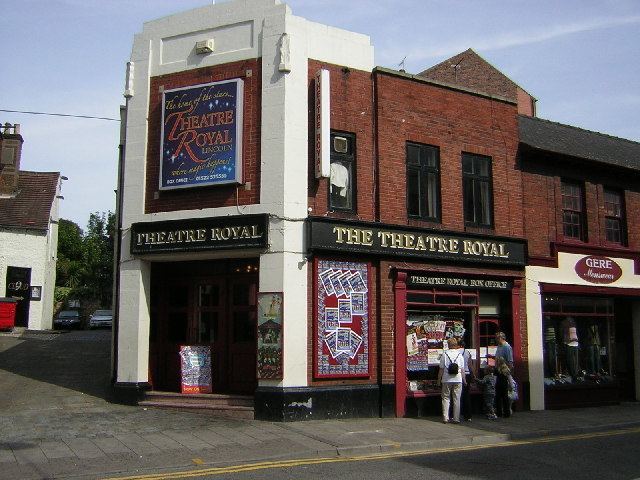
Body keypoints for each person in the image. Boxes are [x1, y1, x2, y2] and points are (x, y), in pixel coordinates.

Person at [437, 337, 466, 424]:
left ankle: (445, 418)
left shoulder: (444, 354)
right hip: (458, 379)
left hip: (446, 379)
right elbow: (462, 369)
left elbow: (441, 369)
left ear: (448, 345)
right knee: (457, 399)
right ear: (456, 345)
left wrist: (439, 380)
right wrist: (464, 380)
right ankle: (456, 418)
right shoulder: (460, 355)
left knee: (446, 398)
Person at [459, 338, 475, 421]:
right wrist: (473, 375)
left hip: (458, 375)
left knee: (457, 396)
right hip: (467, 374)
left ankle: (455, 415)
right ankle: (468, 416)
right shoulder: (467, 352)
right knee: (466, 395)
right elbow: (470, 365)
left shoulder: (456, 352)